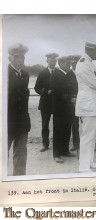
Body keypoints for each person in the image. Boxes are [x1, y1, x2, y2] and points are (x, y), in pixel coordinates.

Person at [75, 42, 96, 172]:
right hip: (88, 106)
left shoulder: (89, 63)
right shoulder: (83, 64)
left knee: (92, 135)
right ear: (90, 50)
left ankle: (89, 161)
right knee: (87, 136)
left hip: (93, 105)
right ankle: (83, 166)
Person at [8, 43, 31, 175]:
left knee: (21, 154)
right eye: (17, 57)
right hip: (7, 122)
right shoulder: (4, 73)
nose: (21, 60)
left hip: (22, 122)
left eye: (22, 57)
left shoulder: (26, 75)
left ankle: (19, 180)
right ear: (10, 58)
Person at [49, 56, 76, 163]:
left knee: (67, 129)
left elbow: (75, 87)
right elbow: (56, 91)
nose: (69, 65)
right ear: (60, 64)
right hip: (59, 108)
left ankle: (65, 151)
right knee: (58, 131)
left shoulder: (71, 74)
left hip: (69, 108)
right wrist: (70, 97)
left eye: (69, 63)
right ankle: (56, 154)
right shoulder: (55, 75)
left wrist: (74, 95)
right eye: (66, 63)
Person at [34, 53, 59, 152]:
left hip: (57, 103)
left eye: (54, 61)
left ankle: (57, 145)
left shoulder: (58, 72)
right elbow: (36, 88)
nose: (53, 62)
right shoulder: (42, 73)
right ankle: (45, 144)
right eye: (51, 60)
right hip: (45, 103)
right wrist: (45, 92)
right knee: (45, 125)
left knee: (57, 125)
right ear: (47, 61)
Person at [69, 55, 81, 152]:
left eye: (76, 63)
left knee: (86, 123)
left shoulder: (83, 73)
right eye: (73, 63)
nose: (74, 65)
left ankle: (89, 145)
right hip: (73, 102)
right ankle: (76, 144)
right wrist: (73, 97)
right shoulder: (68, 74)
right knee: (74, 124)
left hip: (84, 101)